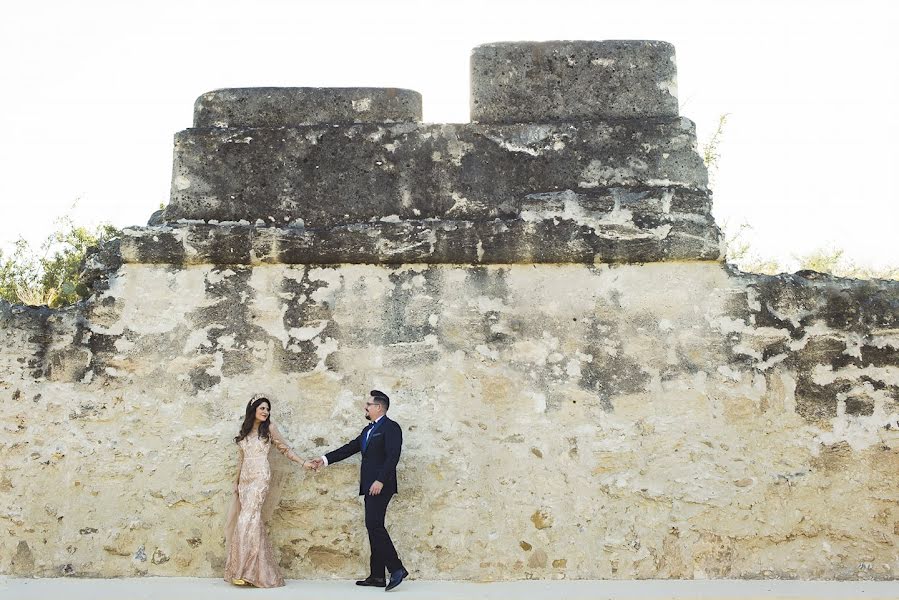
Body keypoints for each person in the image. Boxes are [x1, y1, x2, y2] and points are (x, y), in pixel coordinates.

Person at [309, 390, 409, 591]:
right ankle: (377, 576)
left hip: (381, 485)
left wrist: (380, 480)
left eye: (368, 405)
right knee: (374, 526)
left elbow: (393, 456)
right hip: (369, 486)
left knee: (374, 525)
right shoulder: (367, 431)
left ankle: (397, 569)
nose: (365, 407)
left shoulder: (391, 428)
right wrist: (325, 459)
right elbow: (349, 448)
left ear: (379, 407)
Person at [224, 395, 313, 587]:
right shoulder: (245, 431)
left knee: (249, 517)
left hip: (260, 477)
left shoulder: (269, 428)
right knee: (244, 519)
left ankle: (246, 571)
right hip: (245, 480)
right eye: (262, 408)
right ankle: (250, 571)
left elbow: (284, 449)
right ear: (253, 409)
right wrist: (236, 481)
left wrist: (303, 462)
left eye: (267, 409)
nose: (265, 412)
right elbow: (241, 458)